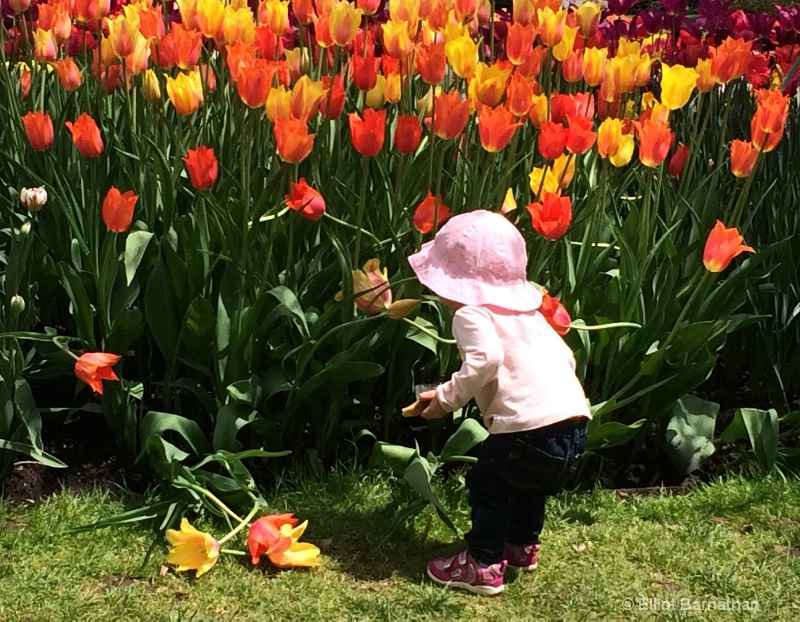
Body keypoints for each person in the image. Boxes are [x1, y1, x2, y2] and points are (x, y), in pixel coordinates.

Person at [404, 210, 590, 596]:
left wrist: (444, 400)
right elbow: (567, 358)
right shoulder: (529, 314)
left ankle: (483, 564)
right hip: (573, 420)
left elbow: (485, 360)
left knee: (489, 485)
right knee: (529, 487)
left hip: (525, 427)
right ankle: (522, 546)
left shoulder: (471, 313)